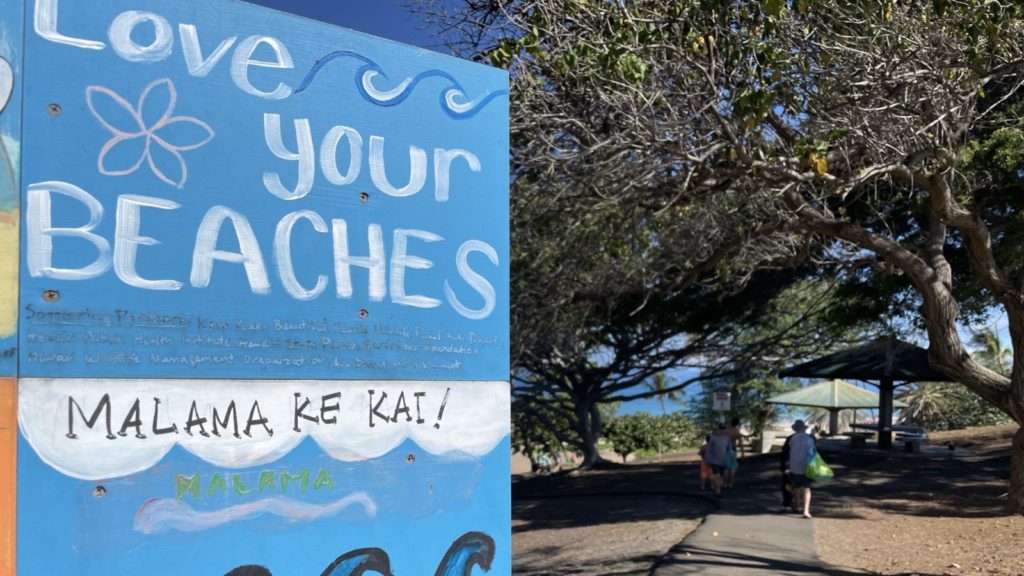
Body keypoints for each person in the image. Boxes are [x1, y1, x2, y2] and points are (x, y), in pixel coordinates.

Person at [787, 419, 816, 518]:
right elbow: (812, 452)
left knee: (797, 487)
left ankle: (796, 506)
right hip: (806, 465)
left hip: (794, 465)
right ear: (804, 428)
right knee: (807, 487)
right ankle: (806, 511)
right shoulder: (809, 439)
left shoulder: (792, 438)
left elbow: (789, 449)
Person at [705, 423, 731, 495]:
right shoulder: (713, 438)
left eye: (723, 429)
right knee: (717, 475)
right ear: (718, 430)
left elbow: (729, 449)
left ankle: (718, 487)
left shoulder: (727, 438)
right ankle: (718, 491)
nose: (722, 430)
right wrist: (709, 459)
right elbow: (708, 450)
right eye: (720, 429)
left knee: (721, 476)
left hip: (724, 461)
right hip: (715, 461)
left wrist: (729, 459)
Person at [724, 416, 747, 487]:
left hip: (725, 449)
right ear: (737, 424)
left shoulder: (726, 430)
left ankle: (725, 483)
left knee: (726, 467)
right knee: (732, 467)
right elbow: (740, 443)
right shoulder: (736, 431)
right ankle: (730, 483)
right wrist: (743, 453)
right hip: (733, 449)